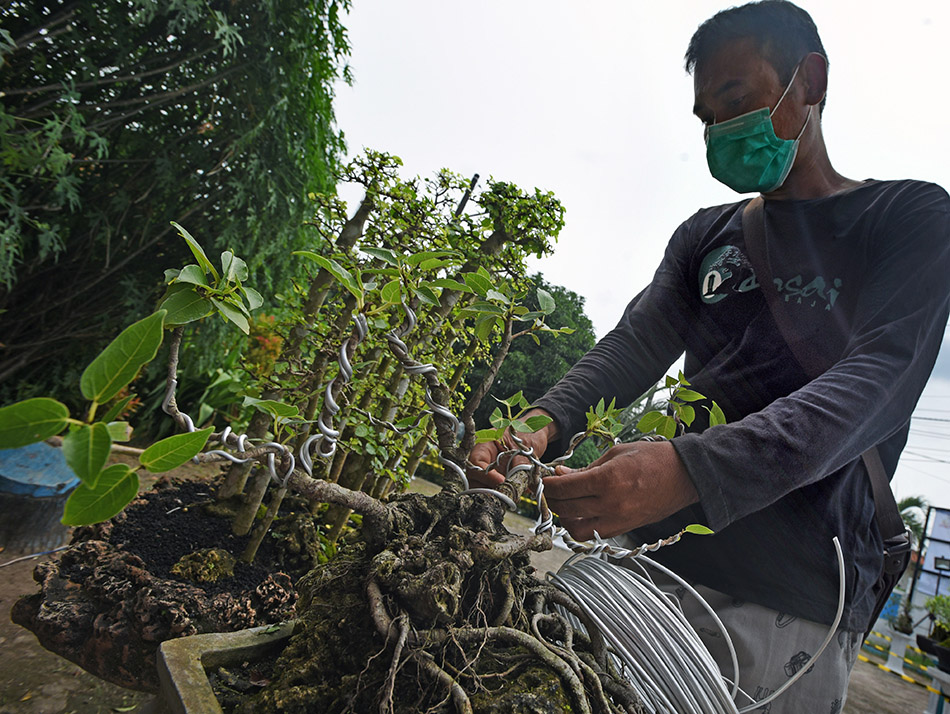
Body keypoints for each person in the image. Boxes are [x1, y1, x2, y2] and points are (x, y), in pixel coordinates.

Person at [468, 1, 950, 711]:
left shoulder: (909, 220)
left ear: (808, 82)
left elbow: (877, 382)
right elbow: (634, 345)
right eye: (706, 120)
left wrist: (692, 470)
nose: (722, 133)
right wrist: (540, 422)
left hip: (792, 596)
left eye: (737, 101)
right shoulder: (706, 236)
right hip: (644, 562)